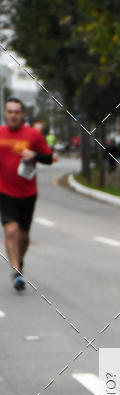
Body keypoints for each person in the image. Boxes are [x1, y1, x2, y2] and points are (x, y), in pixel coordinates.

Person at [0, 97, 53, 291]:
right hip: (4, 191)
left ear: (22, 114)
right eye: (10, 111)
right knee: (11, 231)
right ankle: (15, 271)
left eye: (17, 112)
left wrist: (35, 155)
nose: (13, 115)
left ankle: (19, 262)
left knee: (23, 236)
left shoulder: (33, 135)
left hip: (28, 193)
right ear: (5, 114)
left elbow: (48, 158)